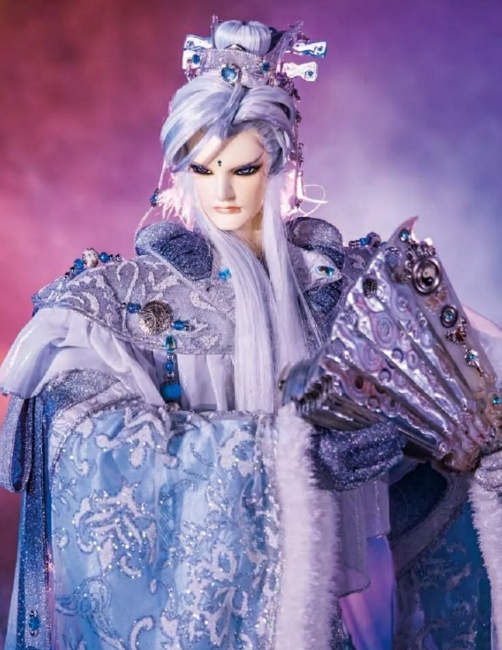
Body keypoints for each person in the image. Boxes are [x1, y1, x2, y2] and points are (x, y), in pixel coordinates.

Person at [0, 16, 501, 650]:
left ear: (280, 167)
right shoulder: (126, 299)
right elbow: (82, 436)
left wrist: (434, 441)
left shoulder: (338, 288)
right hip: (193, 618)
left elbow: (444, 403)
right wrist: (281, 458)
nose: (224, 192)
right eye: (204, 169)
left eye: (243, 169)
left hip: (322, 612)